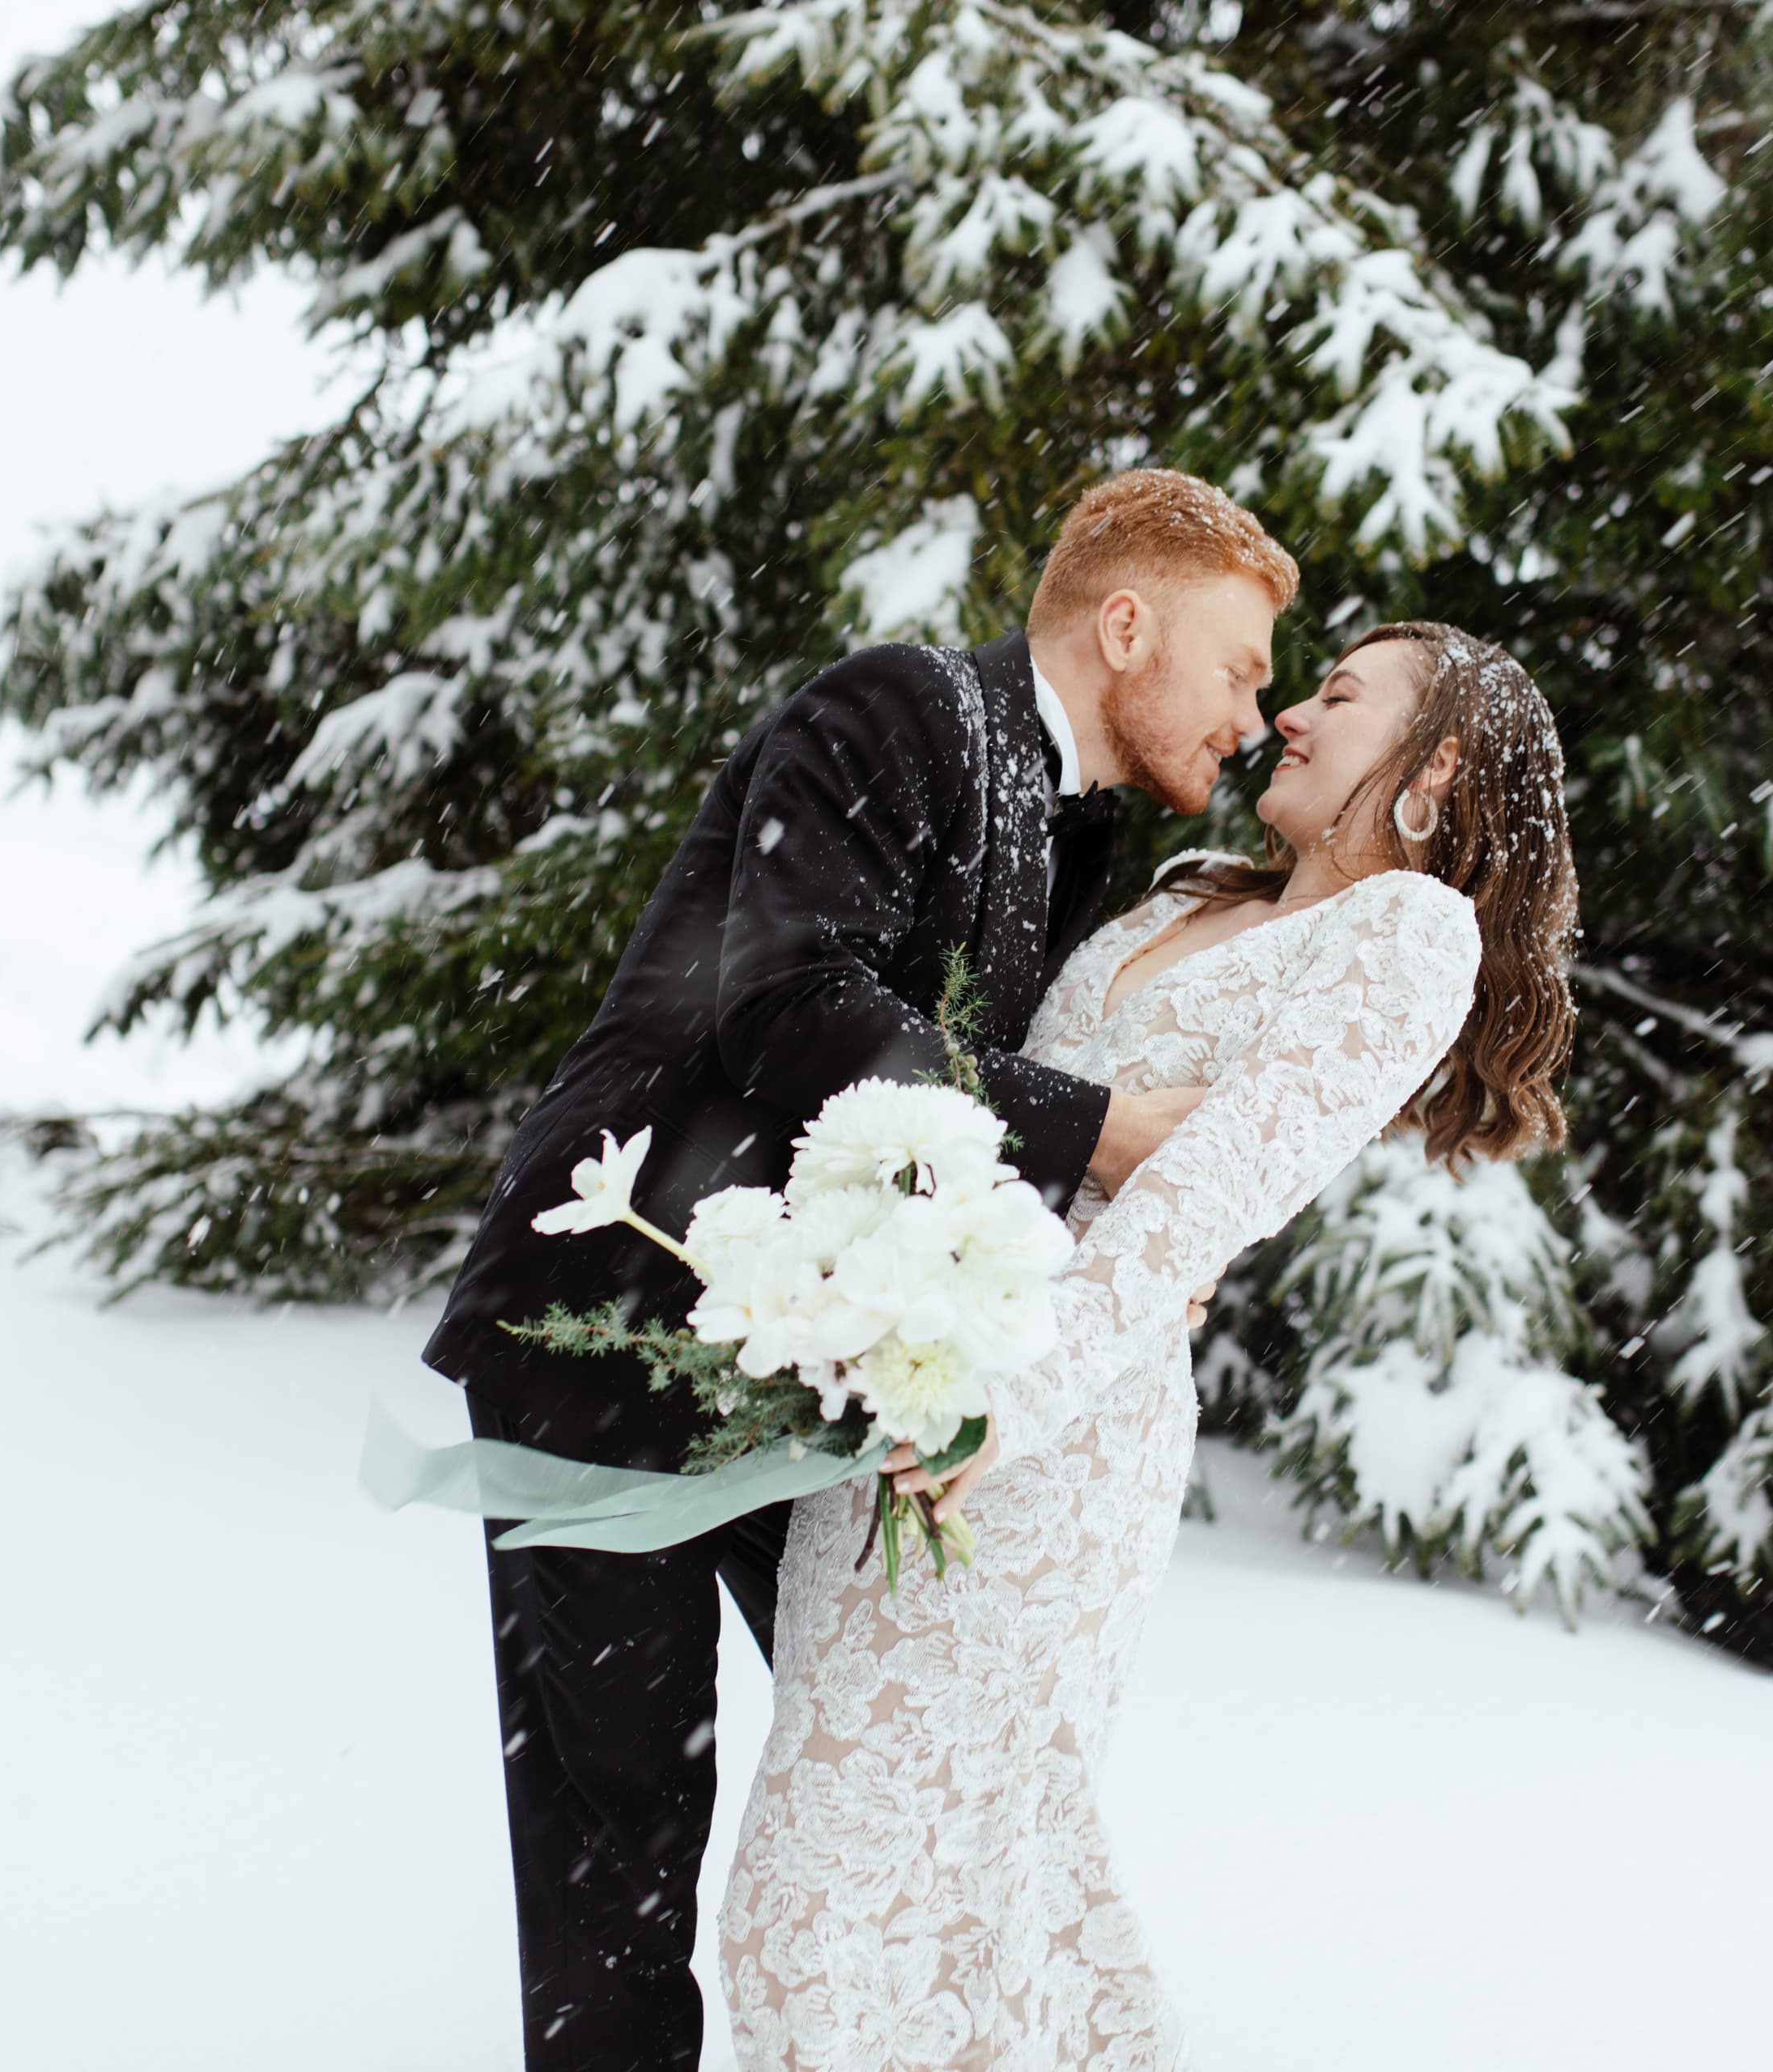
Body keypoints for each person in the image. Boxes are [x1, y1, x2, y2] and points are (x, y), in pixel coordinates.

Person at [419, 469, 1303, 2070]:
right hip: (611, 1321)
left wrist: (1098, 1247)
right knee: (619, 1836)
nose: (1257, 712)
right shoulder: (899, 707)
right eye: (1239, 665)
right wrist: (1099, 1135)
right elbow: (790, 1002)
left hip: (806, 1361)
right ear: (1126, 626)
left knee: (916, 1746)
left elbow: (942, 1117)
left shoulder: (1082, 827)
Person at [719, 620, 1581, 2069]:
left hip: (1040, 1455)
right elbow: (994, 1108)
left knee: (818, 1908)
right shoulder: (1176, 895)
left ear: (1434, 765)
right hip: (914, 1405)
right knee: (963, 1884)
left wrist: (1018, 1406)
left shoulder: (1406, 934)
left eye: (1341, 694)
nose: (1291, 715)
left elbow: (1202, 1199)